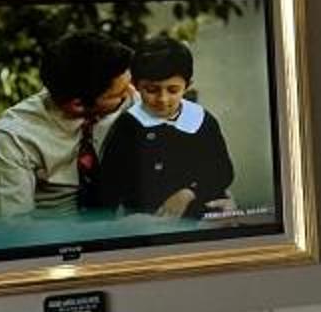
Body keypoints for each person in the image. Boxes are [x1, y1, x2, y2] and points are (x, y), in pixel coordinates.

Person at [0, 30, 132, 216]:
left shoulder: (129, 103)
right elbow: (12, 226)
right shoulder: (15, 138)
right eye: (119, 94)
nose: (131, 94)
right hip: (54, 230)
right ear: (77, 104)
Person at [88, 35, 238, 220]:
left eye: (173, 90)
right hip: (146, 222)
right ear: (136, 85)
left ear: (187, 86)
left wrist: (189, 192)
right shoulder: (128, 125)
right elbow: (109, 185)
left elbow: (222, 172)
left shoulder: (201, 120)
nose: (162, 99)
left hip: (197, 218)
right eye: (151, 90)